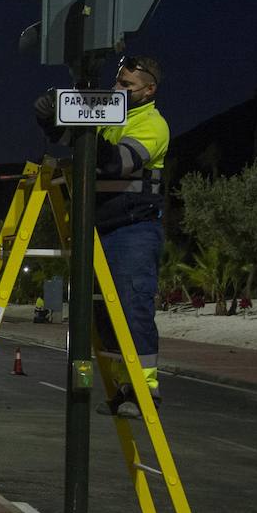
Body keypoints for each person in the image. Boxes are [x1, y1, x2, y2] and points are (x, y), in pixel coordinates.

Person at [36, 55, 168, 418]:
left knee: (132, 305)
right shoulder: (113, 118)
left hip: (133, 229)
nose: (118, 90)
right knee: (101, 313)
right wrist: (50, 117)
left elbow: (118, 162)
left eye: (127, 86)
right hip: (98, 229)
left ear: (149, 89)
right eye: (117, 83)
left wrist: (88, 124)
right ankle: (122, 387)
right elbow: (75, 142)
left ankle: (144, 391)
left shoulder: (153, 125)